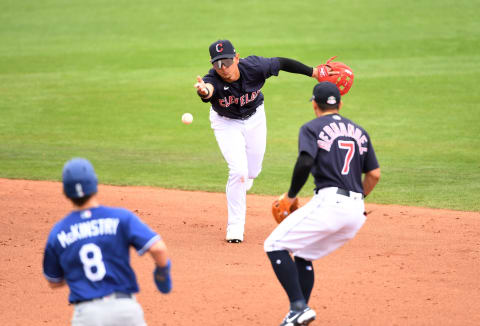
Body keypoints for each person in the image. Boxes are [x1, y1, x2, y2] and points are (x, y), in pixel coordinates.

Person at [194, 39, 338, 243]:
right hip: (226, 123)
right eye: (217, 64)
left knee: (252, 171)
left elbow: (282, 63)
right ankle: (235, 226)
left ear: (236, 57)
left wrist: (313, 72)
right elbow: (208, 90)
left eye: (226, 61)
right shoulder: (213, 80)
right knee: (238, 172)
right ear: (212, 64)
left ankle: (247, 176)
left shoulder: (255, 67)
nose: (223, 68)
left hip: (255, 118)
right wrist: (203, 91)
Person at [264, 82, 381, 326]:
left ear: (315, 105)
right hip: (356, 213)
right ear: (340, 104)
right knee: (304, 254)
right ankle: (298, 314)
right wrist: (359, 199)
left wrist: (291, 196)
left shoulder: (311, 127)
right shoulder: (360, 131)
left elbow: (306, 162)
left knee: (274, 244)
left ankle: (298, 306)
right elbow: (374, 175)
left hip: (330, 203)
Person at [42, 158, 172, 326]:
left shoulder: (59, 232)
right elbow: (158, 249)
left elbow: (54, 281)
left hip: (87, 316)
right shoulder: (121, 217)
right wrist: (162, 272)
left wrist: (76, 272)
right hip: (126, 311)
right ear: (95, 185)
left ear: (65, 192)